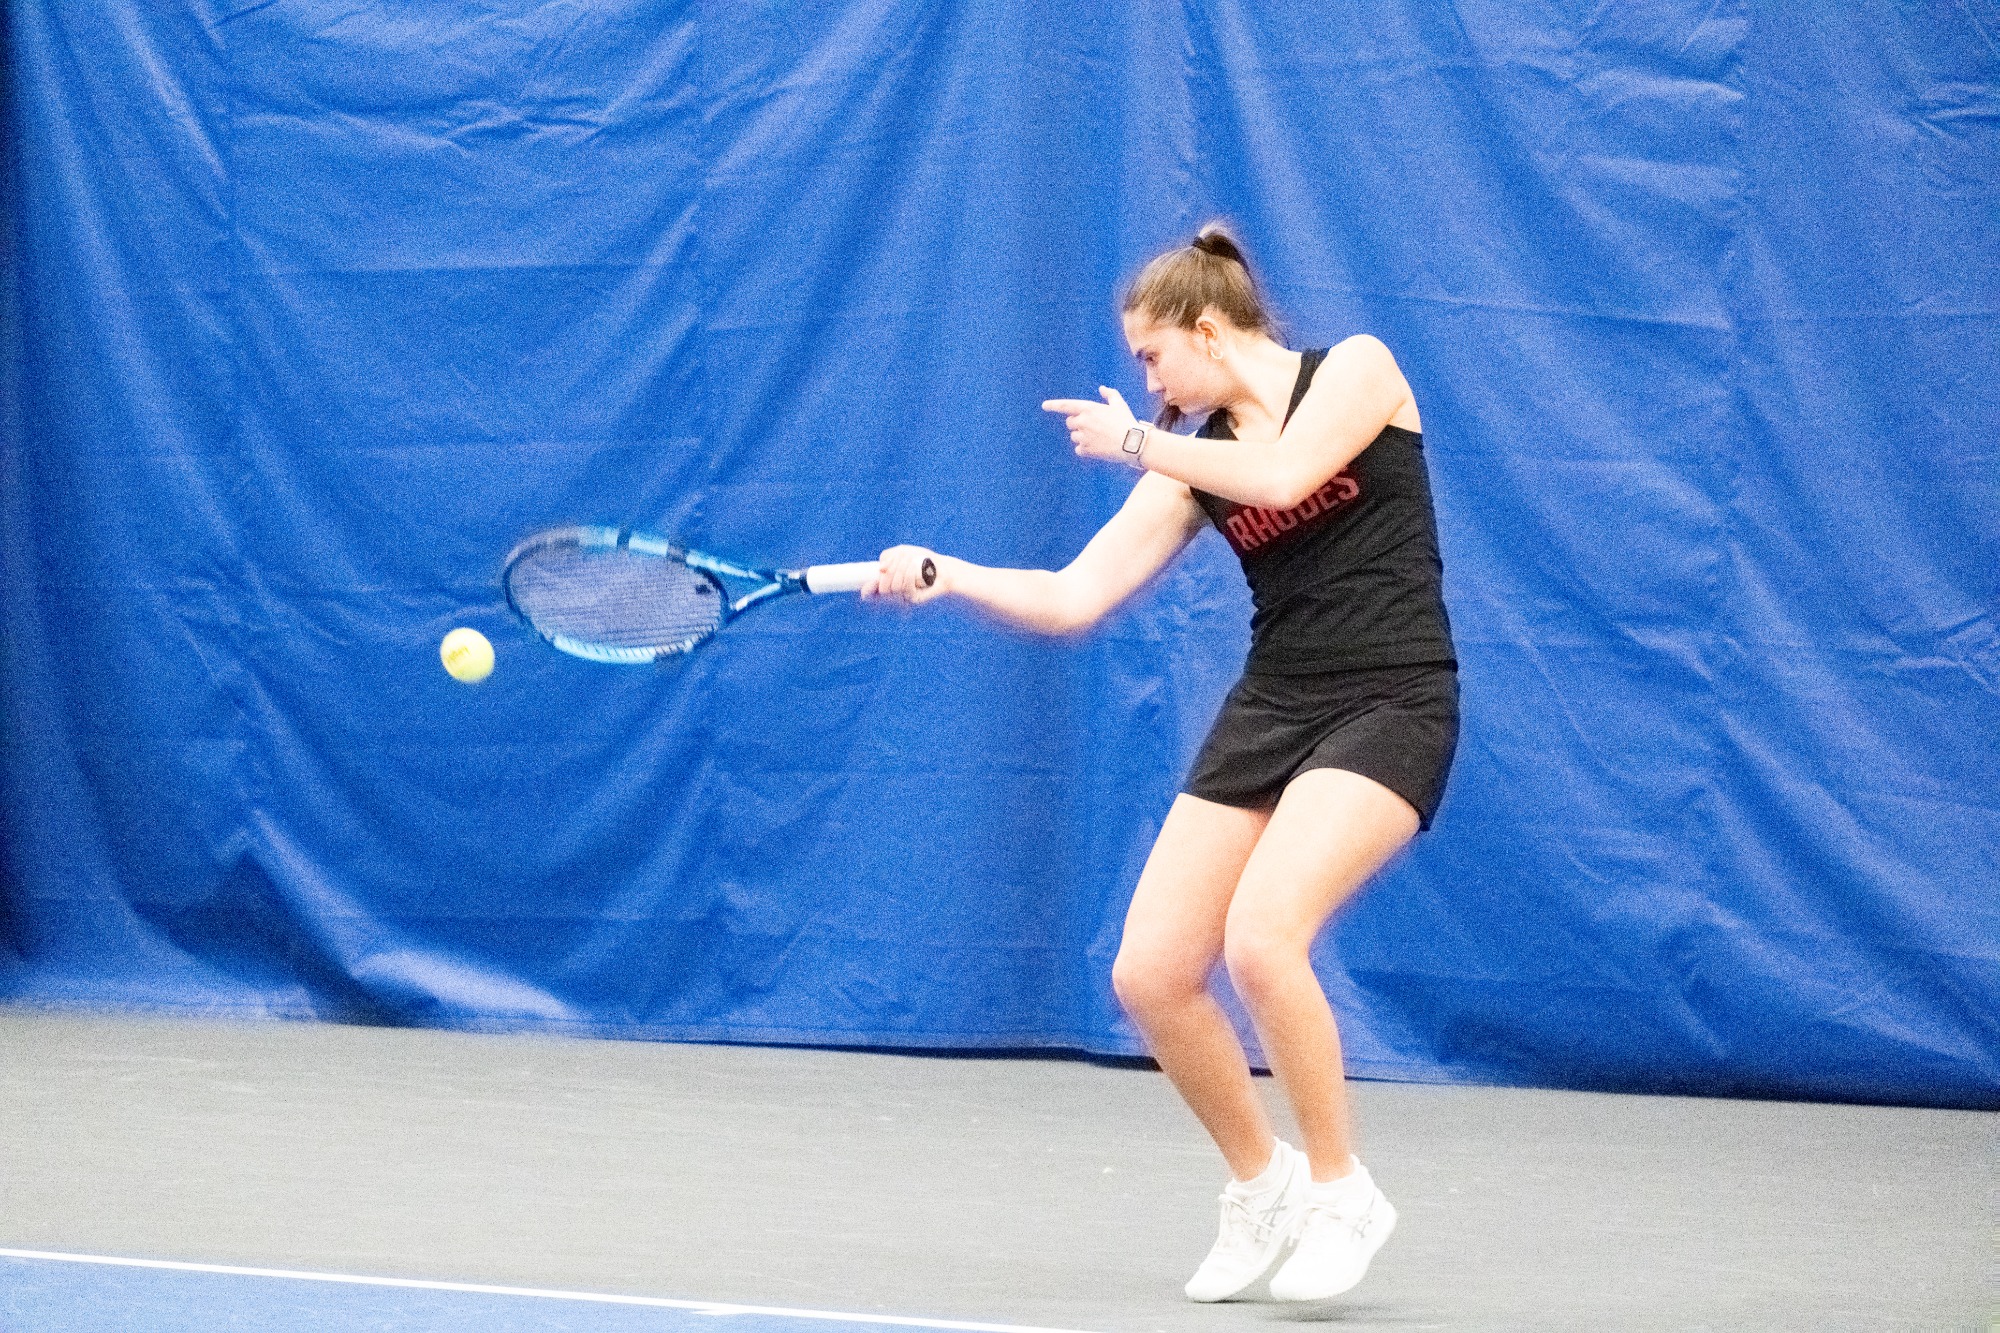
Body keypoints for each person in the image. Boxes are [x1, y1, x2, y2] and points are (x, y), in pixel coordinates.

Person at [867, 224, 1458, 1303]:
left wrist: (1139, 442)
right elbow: (1072, 596)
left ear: (1208, 330)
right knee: (1149, 971)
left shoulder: (1357, 370)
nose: (1147, 382)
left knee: (1263, 936)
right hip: (1274, 704)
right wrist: (946, 573)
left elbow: (1285, 473)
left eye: (1151, 356)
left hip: (1391, 697)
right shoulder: (1194, 461)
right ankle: (1263, 1183)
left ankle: (1341, 1192)